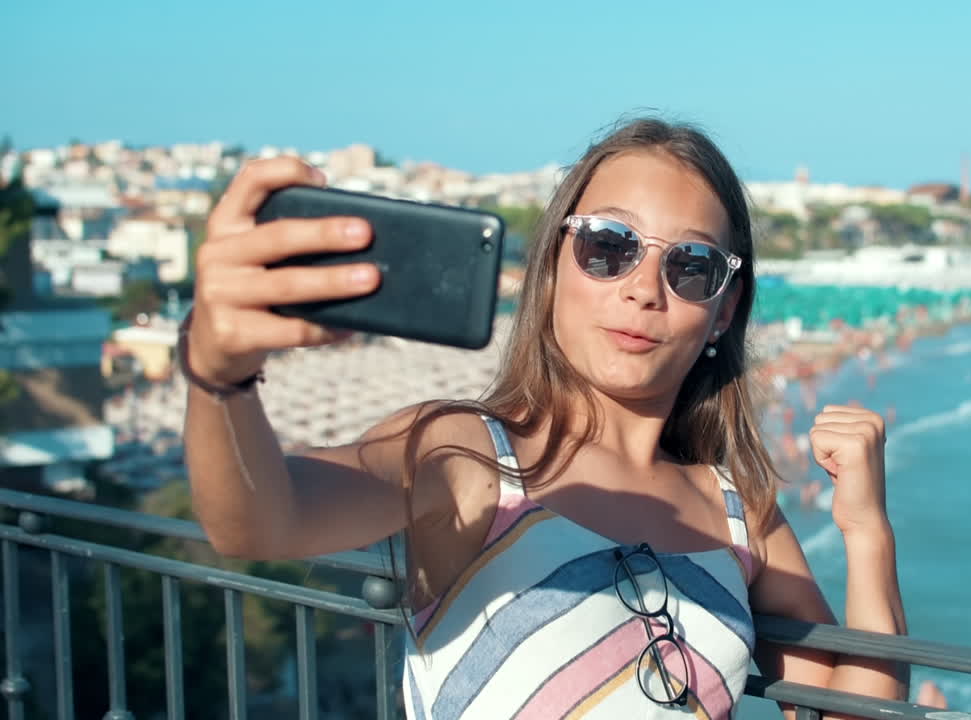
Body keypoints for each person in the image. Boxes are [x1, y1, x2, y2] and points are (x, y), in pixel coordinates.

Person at [183, 117, 908, 719]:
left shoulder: (740, 511)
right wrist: (218, 375)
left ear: (722, 311)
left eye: (690, 266)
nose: (643, 290)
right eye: (608, 247)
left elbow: (851, 716)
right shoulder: (464, 456)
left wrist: (867, 531)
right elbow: (256, 521)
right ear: (556, 265)